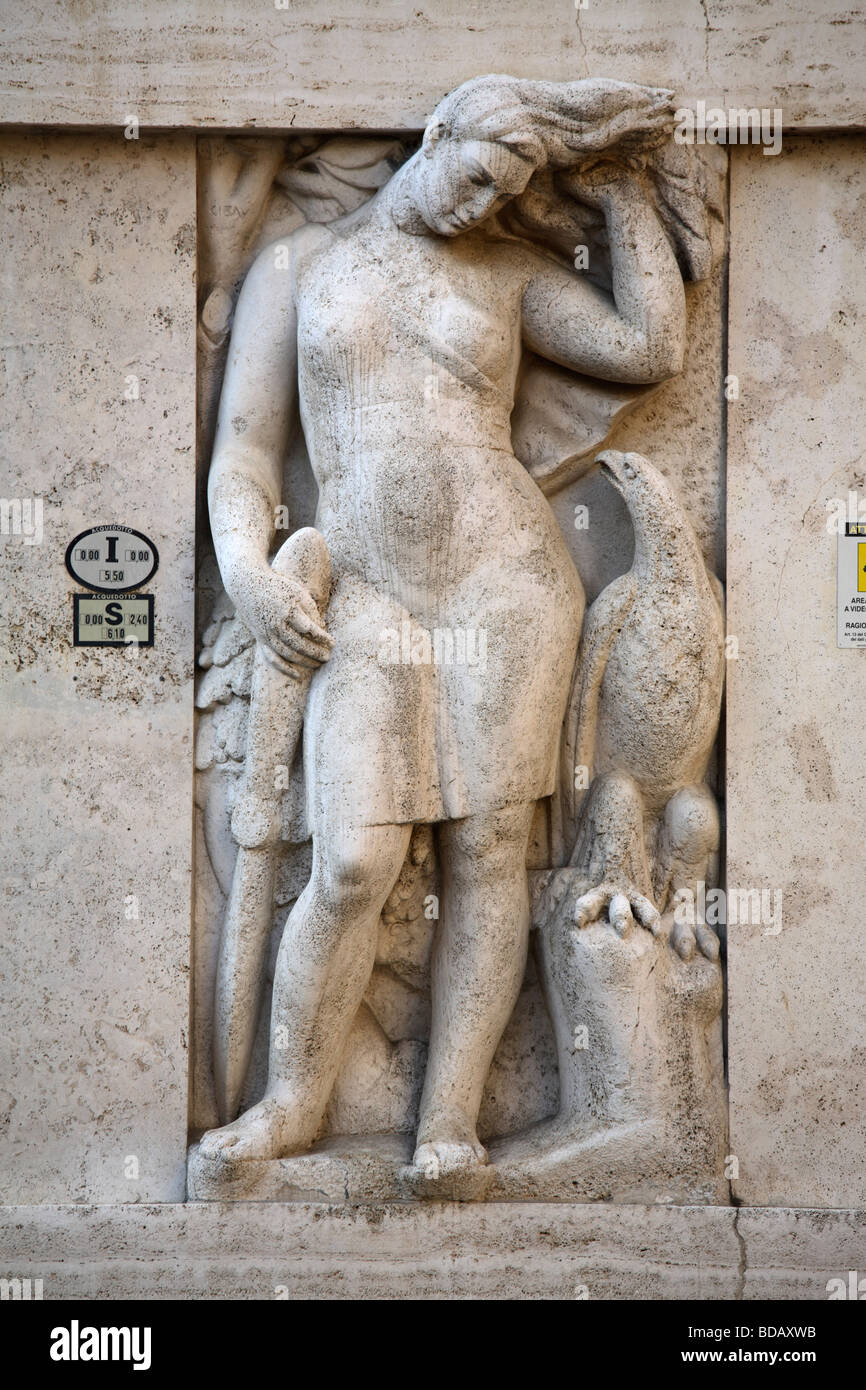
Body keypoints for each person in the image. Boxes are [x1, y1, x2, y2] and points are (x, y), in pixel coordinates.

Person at [199, 75, 687, 1179]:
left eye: (506, 192)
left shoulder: (511, 276)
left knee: (487, 849)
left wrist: (618, 199)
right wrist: (245, 575)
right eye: (472, 178)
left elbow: (648, 348)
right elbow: (241, 450)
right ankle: (287, 1106)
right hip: (365, 594)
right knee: (355, 862)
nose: (478, 207)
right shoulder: (301, 267)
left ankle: (446, 1127)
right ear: (435, 136)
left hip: (504, 585)